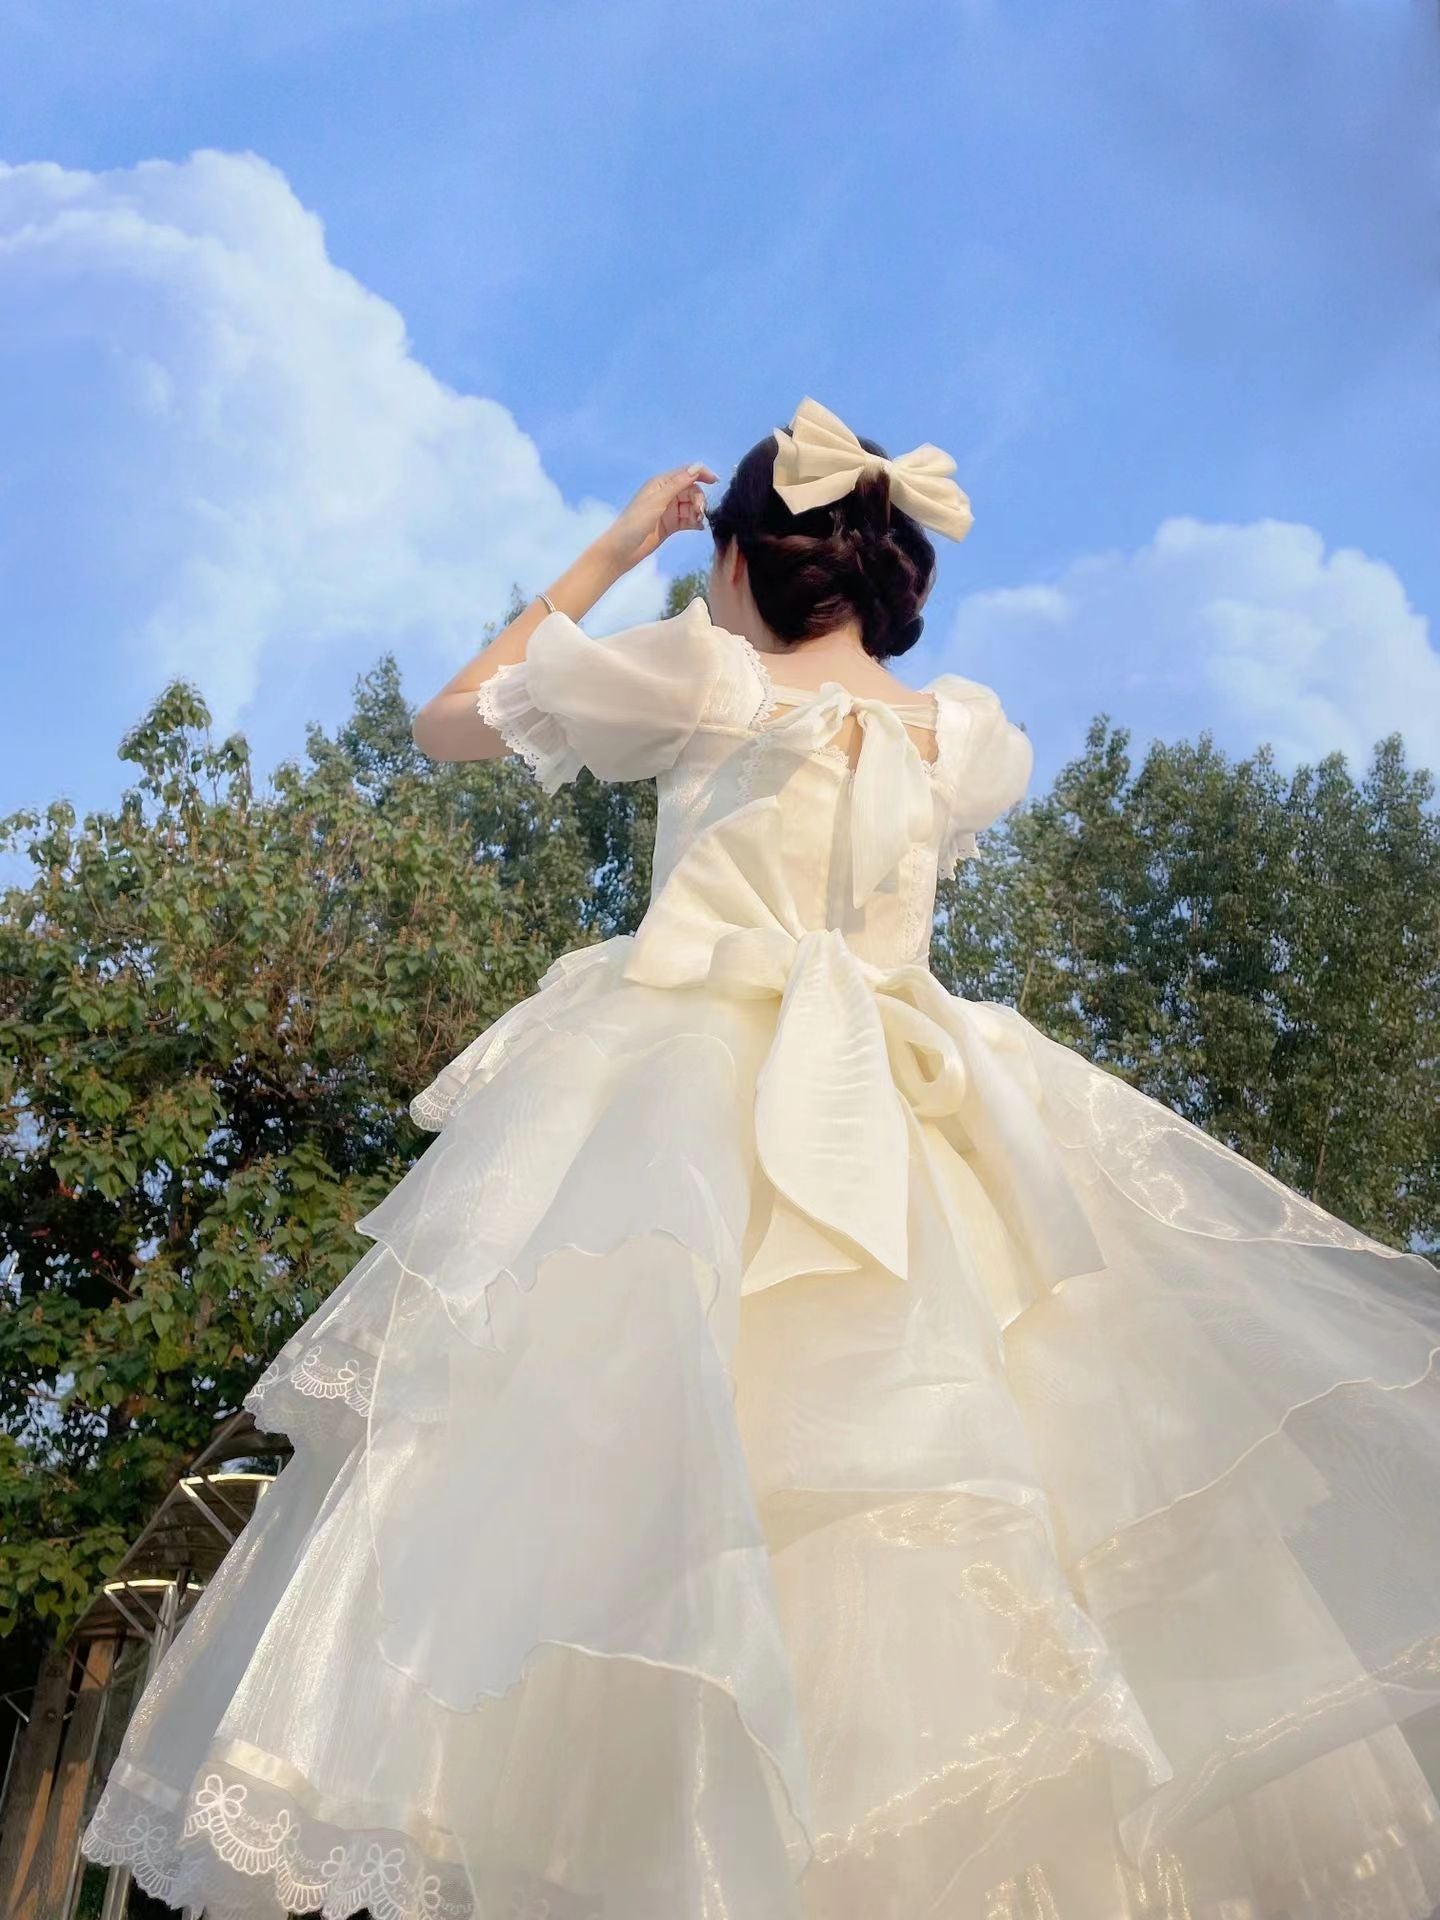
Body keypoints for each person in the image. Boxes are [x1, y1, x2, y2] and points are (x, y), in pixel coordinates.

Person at [82, 398, 1440, 1919]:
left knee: (628, 1492)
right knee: (968, 1487)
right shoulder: (966, 736)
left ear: (738, 559)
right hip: (928, 1130)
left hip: (687, 1113)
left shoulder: (703, 678)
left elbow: (450, 718)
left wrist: (612, 548)